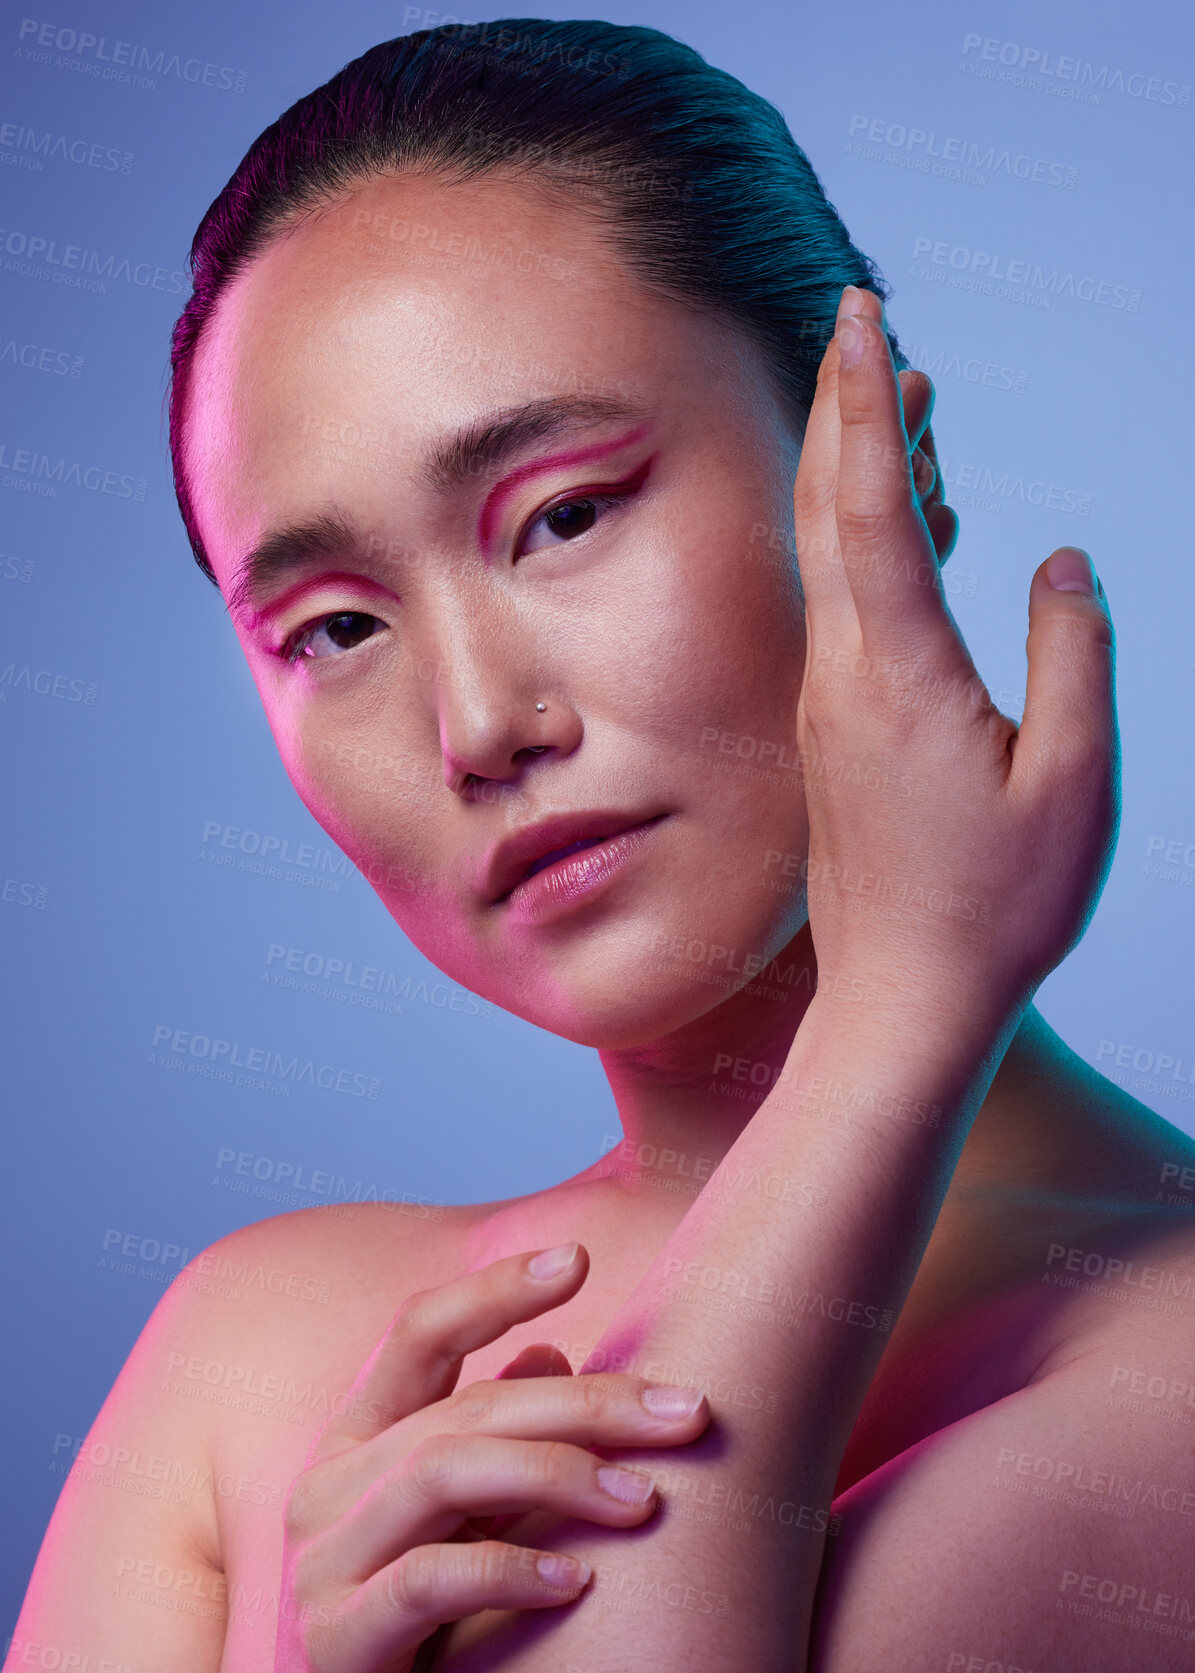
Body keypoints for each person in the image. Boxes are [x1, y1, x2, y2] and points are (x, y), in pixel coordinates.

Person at [10, 18, 1195, 1673]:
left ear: (885, 469)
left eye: (563, 515)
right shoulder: (249, 1348)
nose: (478, 722)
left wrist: (908, 1001)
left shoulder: (1166, 1355)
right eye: (336, 626)